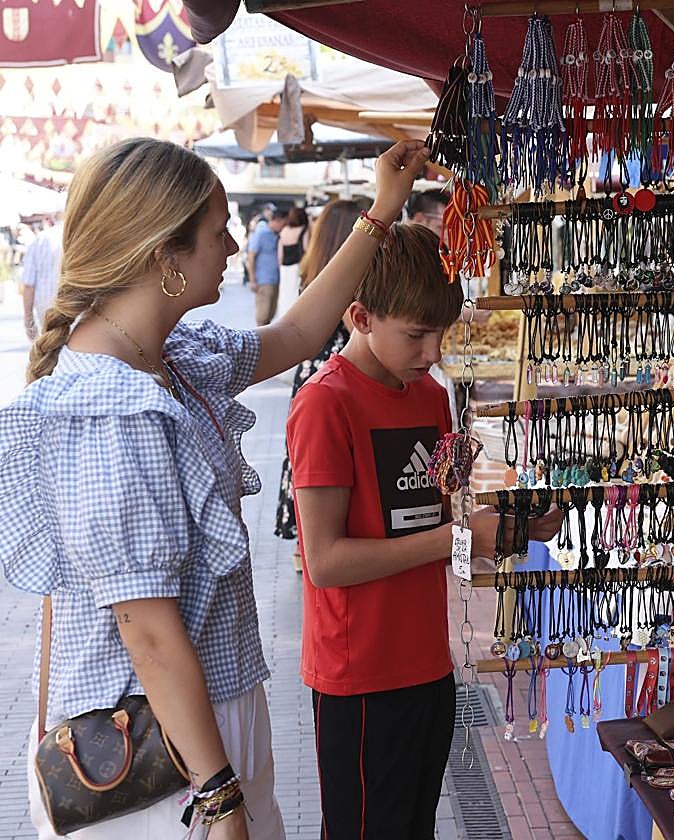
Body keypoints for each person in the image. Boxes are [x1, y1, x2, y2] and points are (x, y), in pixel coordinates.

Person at [0, 136, 431, 839]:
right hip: (152, 749)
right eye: (217, 232)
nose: (233, 246)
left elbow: (298, 332)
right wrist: (220, 797)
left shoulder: (168, 358)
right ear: (163, 257)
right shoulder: (112, 408)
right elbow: (149, 631)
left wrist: (383, 210)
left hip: (199, 722)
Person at [287, 222, 562, 839]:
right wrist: (459, 540)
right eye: (416, 335)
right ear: (361, 317)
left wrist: (514, 523)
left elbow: (448, 512)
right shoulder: (325, 403)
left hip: (428, 663)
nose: (433, 352)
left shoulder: (431, 396)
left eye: (442, 333)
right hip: (359, 674)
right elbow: (324, 561)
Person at [274, 200, 361, 570]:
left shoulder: (314, 273)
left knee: (307, 455)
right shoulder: (347, 280)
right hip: (336, 370)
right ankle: (318, 541)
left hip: (311, 370)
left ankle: (303, 541)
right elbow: (357, 331)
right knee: (329, 454)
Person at [21, 214, 63, 339]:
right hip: (78, 308)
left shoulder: (41, 239)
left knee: (50, 346)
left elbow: (28, 284)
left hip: (46, 309)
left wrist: (28, 320)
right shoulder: (82, 237)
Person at [246, 207, 285, 325]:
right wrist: (252, 280)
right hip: (263, 280)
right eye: (282, 224)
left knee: (271, 313)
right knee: (263, 315)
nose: (283, 227)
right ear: (277, 220)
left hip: (275, 279)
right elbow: (251, 257)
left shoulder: (276, 235)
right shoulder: (261, 233)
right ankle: (259, 336)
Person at [275, 206, 308, 317]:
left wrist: (281, 268)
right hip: (297, 266)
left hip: (284, 268)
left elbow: (280, 255)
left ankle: (284, 316)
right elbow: (306, 248)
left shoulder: (284, 231)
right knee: (295, 293)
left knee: (285, 293)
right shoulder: (304, 229)